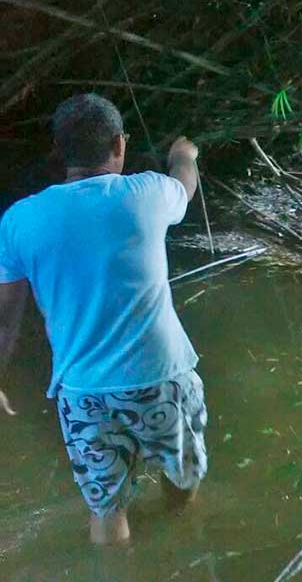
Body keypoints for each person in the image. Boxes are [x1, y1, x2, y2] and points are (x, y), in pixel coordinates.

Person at [0, 94, 207, 545]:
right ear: (119, 145)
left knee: (106, 509)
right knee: (182, 475)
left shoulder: (19, 221)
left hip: (83, 392)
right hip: (161, 379)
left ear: (59, 151)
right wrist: (183, 155)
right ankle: (180, 538)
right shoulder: (147, 193)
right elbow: (184, 186)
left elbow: (5, 322)